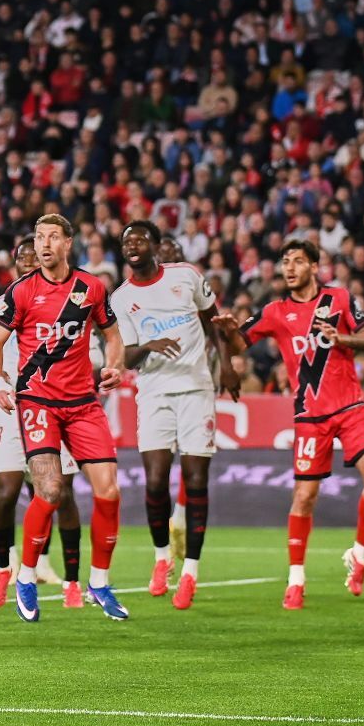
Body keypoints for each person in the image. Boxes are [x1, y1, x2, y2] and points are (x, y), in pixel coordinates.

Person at [213, 240, 364, 609]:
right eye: (285, 262)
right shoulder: (276, 311)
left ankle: (358, 555)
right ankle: (296, 579)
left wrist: (342, 338)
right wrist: (228, 330)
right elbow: (239, 344)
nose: (289, 268)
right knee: (305, 497)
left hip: (352, 407)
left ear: (314, 266)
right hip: (310, 417)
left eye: (297, 261)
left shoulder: (339, 299)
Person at [0, 214, 128, 623]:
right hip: (38, 403)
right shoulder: (20, 292)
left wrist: (115, 366)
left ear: (68, 242)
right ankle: (26, 576)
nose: (44, 244)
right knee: (48, 490)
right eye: (39, 237)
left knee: (110, 491)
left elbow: (112, 336)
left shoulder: (92, 288)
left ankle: (99, 582)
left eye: (52, 237)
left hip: (83, 403)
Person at [109, 221, 240, 610]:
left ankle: (191, 572)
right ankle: (162, 557)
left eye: (140, 239)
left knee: (196, 481)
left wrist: (227, 365)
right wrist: (149, 343)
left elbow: (213, 321)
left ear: (154, 244)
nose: (133, 245)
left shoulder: (186, 276)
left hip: (197, 388)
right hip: (152, 394)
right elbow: (123, 356)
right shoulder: (121, 298)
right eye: (126, 241)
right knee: (154, 483)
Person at [0, 236, 85, 610]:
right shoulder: (0, 307)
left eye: (35, 256)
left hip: (54, 405)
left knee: (61, 495)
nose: (29, 261)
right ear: (15, 264)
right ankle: (3, 568)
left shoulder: (68, 300)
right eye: (23, 257)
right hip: (12, 410)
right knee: (6, 492)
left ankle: (71, 582)